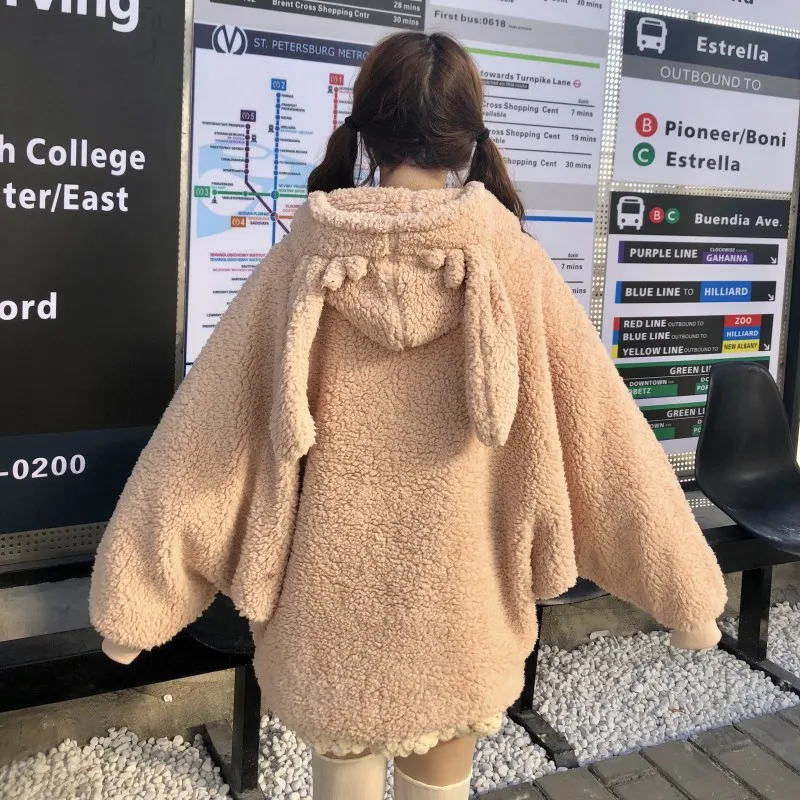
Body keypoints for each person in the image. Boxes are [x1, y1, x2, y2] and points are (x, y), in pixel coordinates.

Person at [90, 32, 727, 800]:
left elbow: (205, 438)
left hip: (325, 625)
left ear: (364, 129)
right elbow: (606, 441)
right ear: (468, 137)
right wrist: (687, 595)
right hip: (462, 618)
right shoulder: (514, 268)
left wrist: (133, 604)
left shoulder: (302, 266)